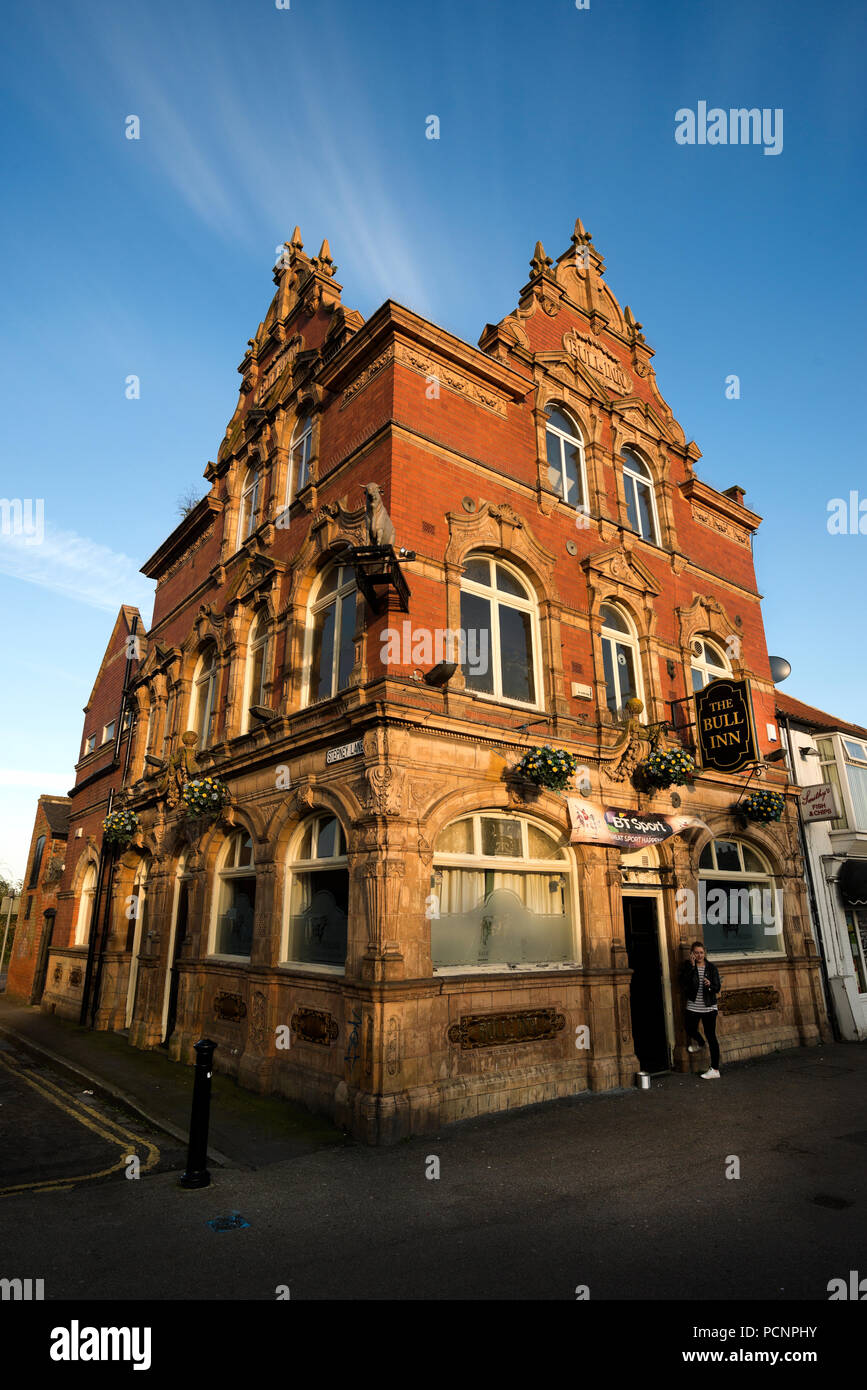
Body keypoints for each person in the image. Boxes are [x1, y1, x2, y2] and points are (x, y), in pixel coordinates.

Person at [680, 941, 722, 1079]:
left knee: (711, 1036)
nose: (699, 955)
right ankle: (700, 1042)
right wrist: (692, 967)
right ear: (692, 954)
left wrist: (710, 985)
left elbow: (717, 987)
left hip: (709, 1006)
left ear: (705, 953)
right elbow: (684, 983)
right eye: (696, 953)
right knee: (689, 1028)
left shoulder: (711, 968)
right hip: (693, 1005)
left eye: (701, 953)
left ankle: (715, 1069)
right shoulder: (688, 966)